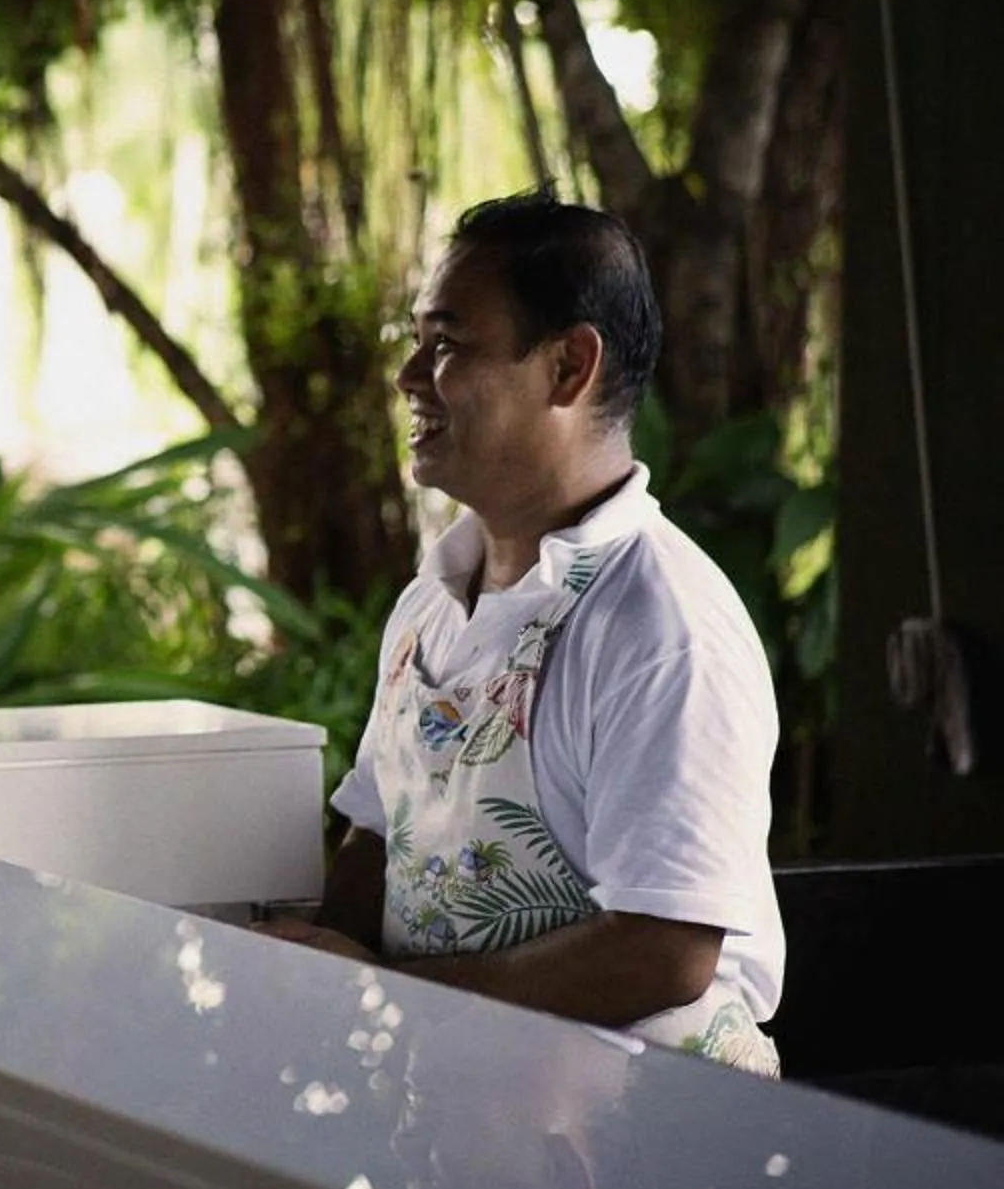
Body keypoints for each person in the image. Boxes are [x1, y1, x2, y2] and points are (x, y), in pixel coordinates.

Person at [260, 191, 785, 1074]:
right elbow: (376, 835)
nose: (411, 378)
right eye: (418, 341)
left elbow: (665, 951)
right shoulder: (431, 599)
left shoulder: (661, 623)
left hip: (651, 1149)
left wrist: (390, 994)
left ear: (569, 368)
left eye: (450, 345)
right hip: (462, 1106)